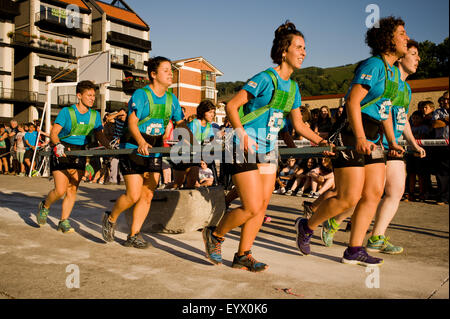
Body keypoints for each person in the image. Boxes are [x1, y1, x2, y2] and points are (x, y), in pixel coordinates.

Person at [202, 21, 333, 272]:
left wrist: (320, 142)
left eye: (305, 47)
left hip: (268, 150)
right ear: (284, 51)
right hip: (241, 145)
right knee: (251, 206)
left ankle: (243, 255)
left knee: (260, 210)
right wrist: (241, 133)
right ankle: (215, 235)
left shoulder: (294, 88)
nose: (304, 52)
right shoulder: (264, 78)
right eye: (299, 47)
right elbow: (231, 106)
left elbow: (299, 125)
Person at [295, 16, 408, 267]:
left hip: (375, 134)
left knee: (374, 193)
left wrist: (392, 140)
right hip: (351, 132)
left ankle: (354, 249)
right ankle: (307, 225)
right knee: (348, 197)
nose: (406, 37)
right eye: (401, 33)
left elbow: (385, 109)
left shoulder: (393, 74)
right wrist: (358, 137)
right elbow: (353, 102)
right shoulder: (374, 65)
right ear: (388, 39)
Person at [102, 56, 186, 248]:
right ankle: (111, 218)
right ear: (153, 74)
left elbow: (181, 124)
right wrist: (140, 141)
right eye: (165, 70)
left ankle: (134, 235)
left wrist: (189, 141)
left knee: (148, 193)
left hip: (154, 147)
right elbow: (131, 122)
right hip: (133, 144)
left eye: (171, 70)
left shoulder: (172, 100)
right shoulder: (141, 95)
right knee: (133, 194)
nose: (170, 74)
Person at [35, 80, 110, 233]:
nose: (92, 98)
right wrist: (57, 145)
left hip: (79, 152)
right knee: (60, 190)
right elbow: (54, 133)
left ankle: (64, 221)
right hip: (62, 149)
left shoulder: (95, 115)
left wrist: (110, 146)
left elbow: (100, 136)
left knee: (72, 189)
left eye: (93, 96)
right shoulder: (67, 112)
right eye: (89, 95)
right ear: (79, 96)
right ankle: (45, 206)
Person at [172, 99, 216, 189]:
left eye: (213, 112)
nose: (213, 115)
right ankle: (160, 195)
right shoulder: (194, 124)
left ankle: (186, 201)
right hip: (182, 155)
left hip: (194, 156)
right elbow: (185, 139)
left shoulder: (209, 126)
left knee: (192, 183)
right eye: (210, 112)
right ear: (203, 112)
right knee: (177, 184)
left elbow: (210, 139)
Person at [431, 91, 449, 205]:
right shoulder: (438, 111)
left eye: (448, 99)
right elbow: (435, 124)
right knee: (442, 173)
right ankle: (443, 197)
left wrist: (443, 120)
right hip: (442, 146)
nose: (446, 101)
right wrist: (447, 119)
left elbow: (440, 122)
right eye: (444, 99)